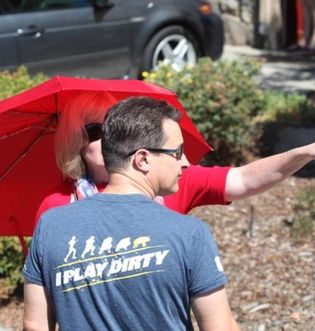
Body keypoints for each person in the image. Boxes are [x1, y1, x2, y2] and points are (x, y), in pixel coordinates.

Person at [23, 97, 239, 330]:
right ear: (143, 159)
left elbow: (35, 326)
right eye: (177, 152)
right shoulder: (190, 234)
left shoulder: (51, 226)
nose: (184, 163)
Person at [35, 91, 315, 222]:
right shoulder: (58, 206)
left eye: (115, 126)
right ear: (74, 141)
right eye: (96, 130)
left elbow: (244, 179)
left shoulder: (169, 179)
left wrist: (305, 152)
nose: (109, 136)